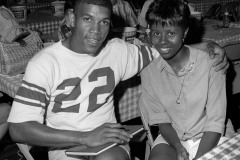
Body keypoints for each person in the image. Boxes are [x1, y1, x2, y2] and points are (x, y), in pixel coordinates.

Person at [7, 0, 227, 160]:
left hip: (110, 143)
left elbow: (162, 48)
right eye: (87, 19)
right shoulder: (44, 63)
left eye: (104, 22)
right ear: (71, 18)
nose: (96, 31)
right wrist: (84, 137)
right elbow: (19, 129)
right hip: (64, 147)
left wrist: (208, 47)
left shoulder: (118, 51)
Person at [139, 0, 229, 160]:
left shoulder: (211, 63)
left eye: (171, 33)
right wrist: (179, 147)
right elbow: (162, 121)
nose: (163, 41)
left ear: (185, 32)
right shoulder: (149, 72)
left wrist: (199, 157)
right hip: (172, 139)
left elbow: (215, 121)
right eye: (156, 33)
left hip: (211, 135)